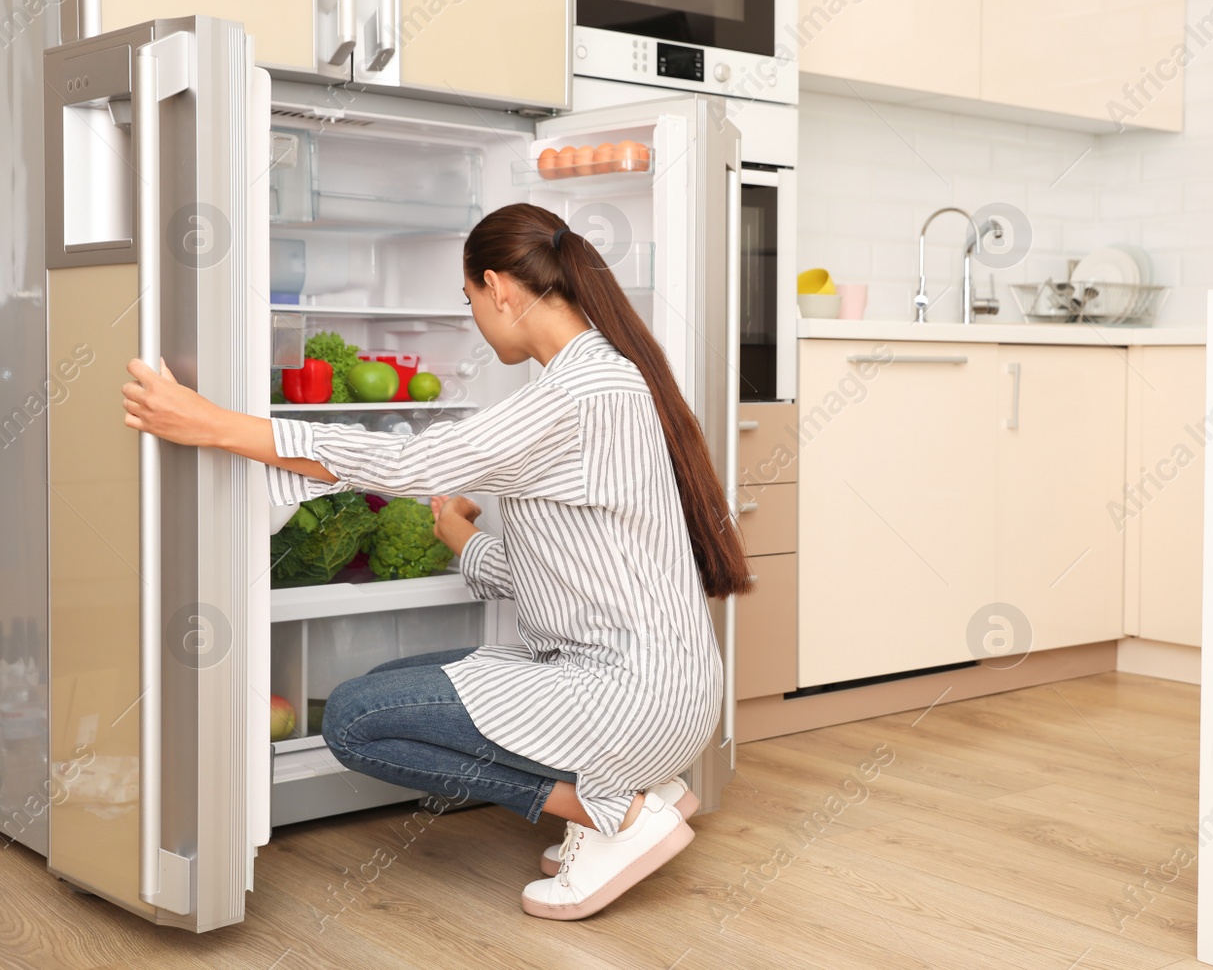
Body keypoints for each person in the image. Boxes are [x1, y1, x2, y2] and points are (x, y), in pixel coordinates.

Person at [122, 203, 750, 920]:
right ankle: (638, 787)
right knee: (387, 684)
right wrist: (460, 537)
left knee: (356, 720)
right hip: (665, 688)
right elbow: (569, 574)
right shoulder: (607, 378)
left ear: (499, 287)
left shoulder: (574, 396)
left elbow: (409, 459)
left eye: (470, 301)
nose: (476, 316)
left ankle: (616, 811)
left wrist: (218, 425)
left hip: (629, 696)